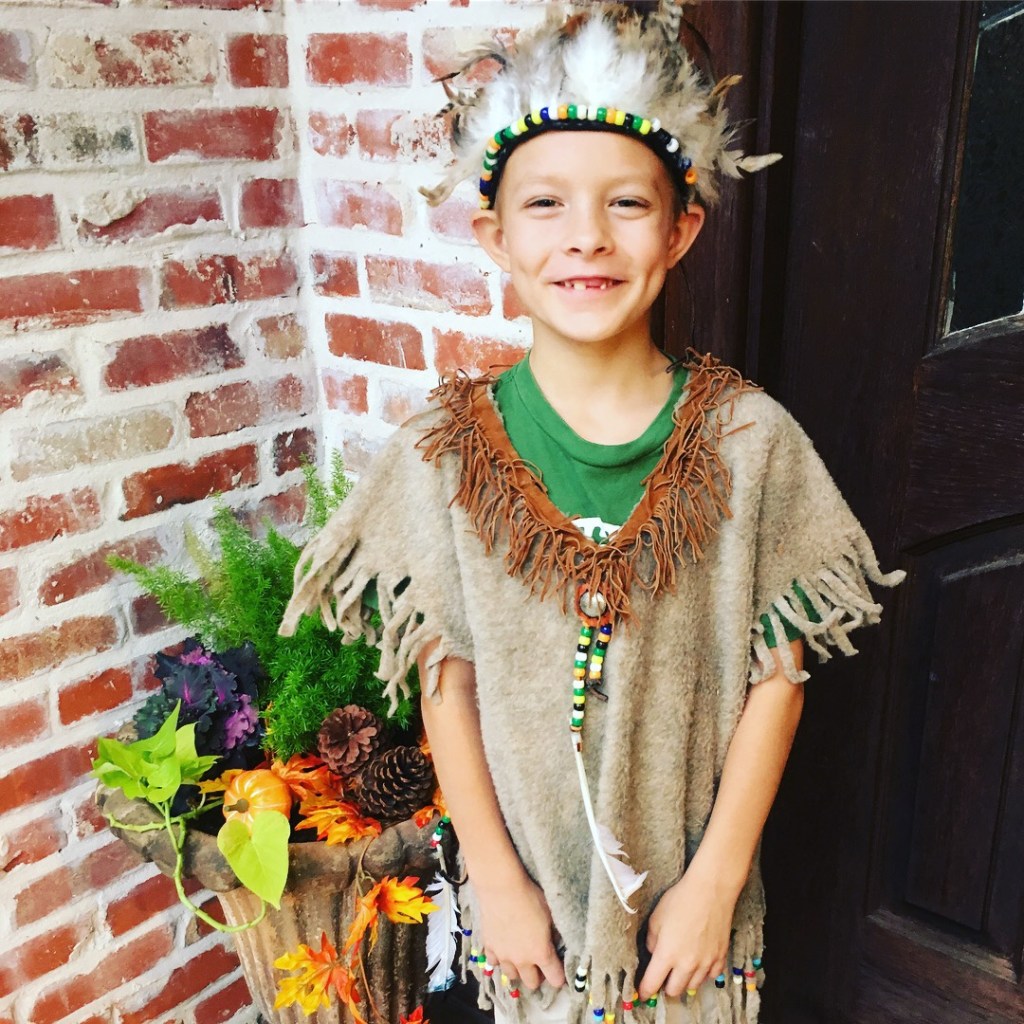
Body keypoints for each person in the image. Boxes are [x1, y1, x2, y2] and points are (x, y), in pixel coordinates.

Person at [280, 4, 906, 1023]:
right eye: (545, 204)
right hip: (527, 909)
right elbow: (446, 682)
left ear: (680, 228)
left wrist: (714, 885)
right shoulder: (445, 453)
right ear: (494, 235)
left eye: (625, 203)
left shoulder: (749, 443)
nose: (586, 237)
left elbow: (778, 682)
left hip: (685, 920)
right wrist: (497, 883)